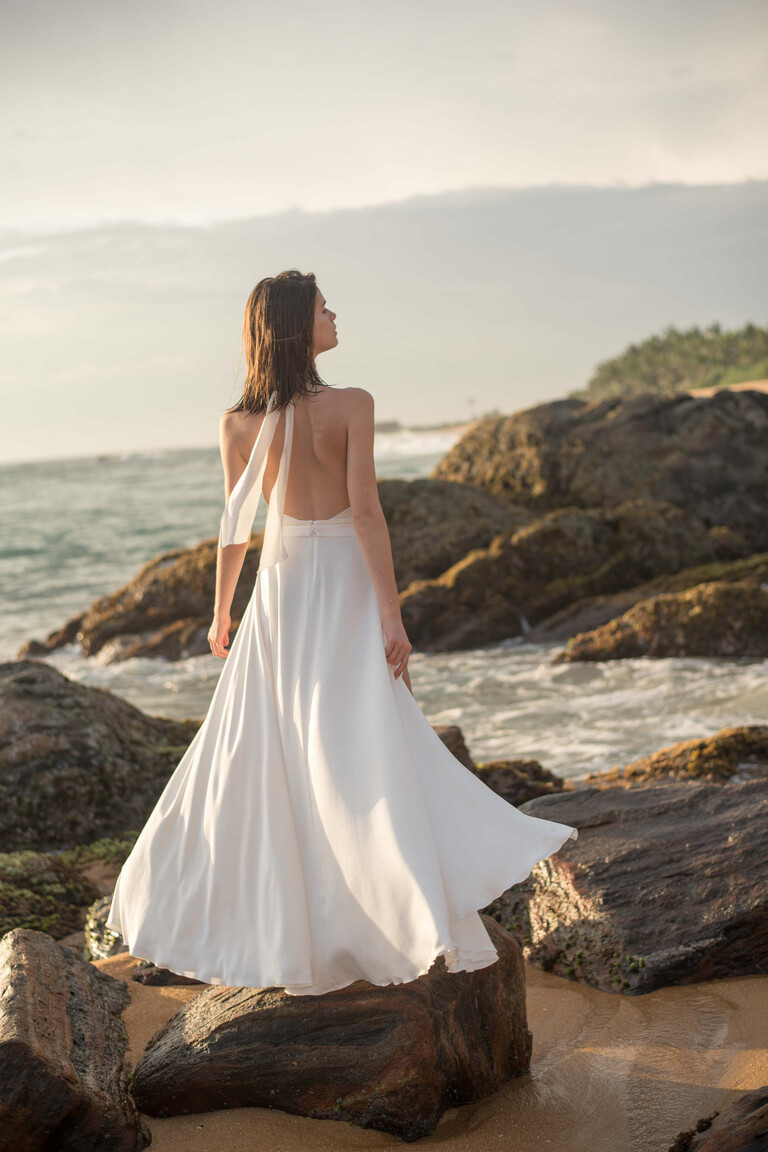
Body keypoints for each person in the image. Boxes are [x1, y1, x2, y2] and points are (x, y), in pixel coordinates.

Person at [105, 269, 578, 997]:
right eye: (325, 308)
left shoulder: (236, 423)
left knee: (278, 750)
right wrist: (392, 614)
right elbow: (365, 515)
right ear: (300, 325)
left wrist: (221, 611)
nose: (335, 316)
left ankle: (292, 923)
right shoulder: (353, 404)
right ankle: (393, 906)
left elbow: (234, 530)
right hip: (344, 587)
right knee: (363, 743)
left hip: (283, 590)